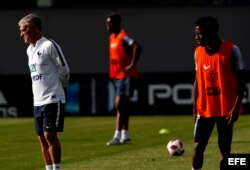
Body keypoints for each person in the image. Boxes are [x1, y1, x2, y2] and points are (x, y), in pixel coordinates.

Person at [192, 16, 246, 170]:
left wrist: (235, 108)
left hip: (226, 109)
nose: (197, 37)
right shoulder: (197, 52)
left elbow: (242, 82)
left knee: (225, 150)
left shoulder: (232, 50)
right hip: (205, 109)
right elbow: (197, 80)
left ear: (211, 32)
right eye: (196, 34)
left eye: (200, 33)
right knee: (198, 147)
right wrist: (195, 107)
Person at [18, 13, 70, 170]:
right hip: (38, 100)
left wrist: (62, 89)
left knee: (50, 136)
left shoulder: (49, 45)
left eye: (23, 30)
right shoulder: (29, 50)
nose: (21, 34)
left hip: (52, 98)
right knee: (41, 138)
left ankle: (57, 168)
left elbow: (65, 70)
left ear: (33, 29)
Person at [105, 12, 142, 146]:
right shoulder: (112, 37)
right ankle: (125, 136)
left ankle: (117, 135)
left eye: (109, 23)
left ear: (117, 23)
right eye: (107, 23)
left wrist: (131, 65)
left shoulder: (123, 36)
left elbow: (137, 46)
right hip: (117, 77)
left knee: (120, 105)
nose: (107, 25)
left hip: (125, 76)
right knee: (123, 106)